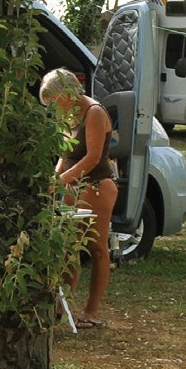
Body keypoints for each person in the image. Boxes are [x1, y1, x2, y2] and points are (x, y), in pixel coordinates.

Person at [39, 68, 117, 328]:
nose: (54, 108)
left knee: (97, 249)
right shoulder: (67, 114)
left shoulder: (93, 112)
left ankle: (91, 312)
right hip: (74, 187)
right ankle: (62, 306)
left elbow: (93, 157)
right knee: (69, 248)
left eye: (55, 100)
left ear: (66, 93)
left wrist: (60, 181)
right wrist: (53, 179)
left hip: (96, 186)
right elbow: (65, 154)